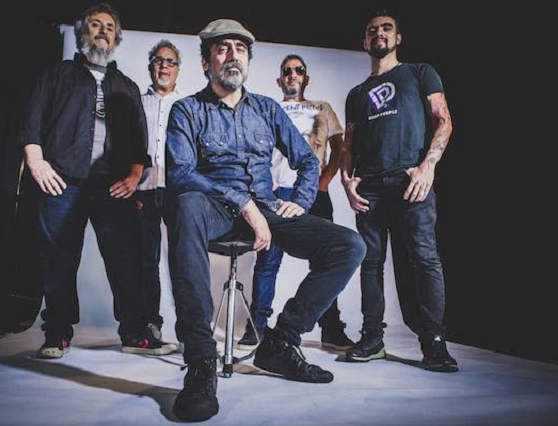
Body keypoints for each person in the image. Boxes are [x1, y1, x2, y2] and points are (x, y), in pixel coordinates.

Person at [165, 18, 366, 422]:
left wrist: (301, 202)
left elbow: (307, 160)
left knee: (349, 245)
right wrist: (243, 203)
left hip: (268, 209)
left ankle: (280, 342)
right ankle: (201, 361)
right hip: (213, 209)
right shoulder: (187, 110)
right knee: (184, 205)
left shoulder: (266, 109)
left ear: (248, 61)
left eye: (240, 49)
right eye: (223, 48)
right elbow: (181, 172)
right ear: (206, 62)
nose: (233, 55)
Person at [18, 2, 152, 359]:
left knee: (126, 259)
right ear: (83, 33)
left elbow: (139, 141)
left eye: (109, 26)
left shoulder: (127, 86)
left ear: (116, 38)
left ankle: (135, 332)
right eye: (95, 24)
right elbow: (32, 120)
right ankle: (57, 333)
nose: (103, 30)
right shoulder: (56, 74)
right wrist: (36, 161)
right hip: (63, 181)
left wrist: (134, 176)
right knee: (58, 260)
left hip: (111, 185)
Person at [339, 8, 458, 372]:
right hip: (370, 187)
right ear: (365, 41)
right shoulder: (357, 93)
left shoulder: (420, 73)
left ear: (397, 37)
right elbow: (348, 144)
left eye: (386, 28)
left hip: (411, 181)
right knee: (370, 262)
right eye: (372, 29)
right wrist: (346, 180)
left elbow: (444, 120)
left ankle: (434, 342)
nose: (379, 33)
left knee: (424, 258)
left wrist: (428, 166)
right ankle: (372, 339)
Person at [237, 54, 354, 352]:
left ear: (306, 78)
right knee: (268, 261)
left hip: (311, 193)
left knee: (328, 259)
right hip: (276, 195)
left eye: (298, 70)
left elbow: (340, 148)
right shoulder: (268, 109)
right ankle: (257, 326)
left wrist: (324, 181)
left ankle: (330, 328)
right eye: (287, 71)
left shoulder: (322, 108)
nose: (292, 74)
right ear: (279, 80)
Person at [128, 39, 186, 355]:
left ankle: (188, 328)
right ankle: (151, 325)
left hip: (178, 192)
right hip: (144, 191)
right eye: (158, 60)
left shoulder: (188, 105)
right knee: (146, 261)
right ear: (151, 66)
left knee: (182, 261)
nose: (164, 66)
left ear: (178, 69)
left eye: (170, 61)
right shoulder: (137, 102)